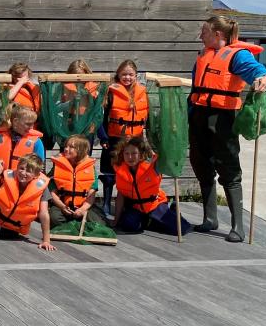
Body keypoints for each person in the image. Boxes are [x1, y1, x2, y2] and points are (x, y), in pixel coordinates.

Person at [188, 14, 266, 242]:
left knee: (229, 168)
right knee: (201, 165)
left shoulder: (238, 55)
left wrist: (264, 78)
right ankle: (210, 219)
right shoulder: (203, 54)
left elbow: (257, 71)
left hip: (222, 118)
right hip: (199, 115)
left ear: (217, 34)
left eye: (204, 32)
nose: (201, 36)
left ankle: (238, 227)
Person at [112, 137, 191, 236]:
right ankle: (149, 221)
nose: (130, 157)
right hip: (136, 208)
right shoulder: (120, 171)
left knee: (181, 229)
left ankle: (172, 212)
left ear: (141, 154)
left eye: (134, 153)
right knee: (127, 225)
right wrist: (116, 219)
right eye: (126, 153)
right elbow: (120, 196)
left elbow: (166, 156)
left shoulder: (152, 166)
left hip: (155, 204)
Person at [99, 59, 148, 216]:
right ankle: (106, 203)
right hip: (115, 137)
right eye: (124, 74)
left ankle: (130, 204)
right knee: (110, 173)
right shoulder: (110, 92)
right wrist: (103, 138)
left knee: (132, 172)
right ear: (118, 75)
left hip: (135, 139)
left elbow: (147, 116)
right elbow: (101, 118)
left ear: (136, 75)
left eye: (130, 74)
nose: (127, 77)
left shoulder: (142, 91)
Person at [47, 135, 103, 229]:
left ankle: (76, 224)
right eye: (66, 146)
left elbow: (91, 194)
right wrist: (62, 207)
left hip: (83, 206)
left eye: (71, 147)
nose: (66, 149)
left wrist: (82, 209)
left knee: (97, 222)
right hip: (61, 206)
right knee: (54, 218)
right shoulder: (57, 166)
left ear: (81, 150)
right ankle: (72, 226)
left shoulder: (90, 168)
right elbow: (52, 192)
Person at [0, 105, 45, 170]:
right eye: (28, 124)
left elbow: (40, 169)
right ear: (15, 122)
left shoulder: (36, 142)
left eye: (33, 124)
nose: (31, 127)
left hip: (23, 176)